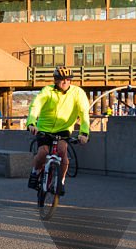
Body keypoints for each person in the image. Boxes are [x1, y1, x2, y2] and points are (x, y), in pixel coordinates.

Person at [26, 66, 90, 194]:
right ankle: (35, 173)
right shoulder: (47, 91)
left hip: (64, 128)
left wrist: (84, 133)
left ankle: (60, 182)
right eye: (62, 79)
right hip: (44, 128)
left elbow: (84, 113)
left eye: (68, 79)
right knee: (43, 152)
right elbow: (35, 106)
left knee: (63, 153)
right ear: (55, 80)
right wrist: (31, 123)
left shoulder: (78, 93)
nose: (65, 82)